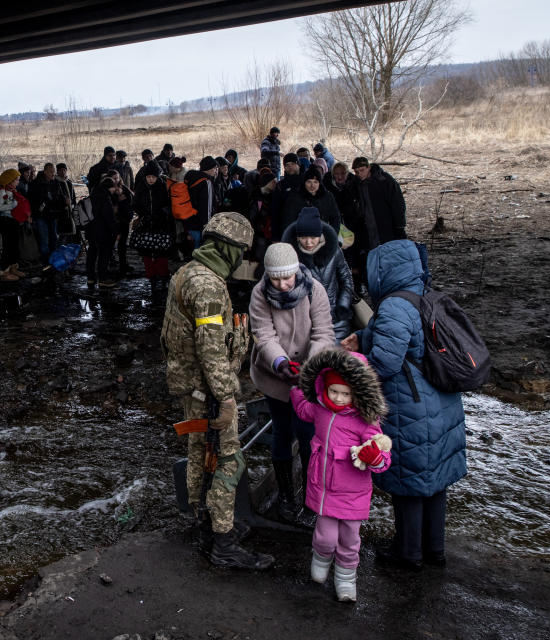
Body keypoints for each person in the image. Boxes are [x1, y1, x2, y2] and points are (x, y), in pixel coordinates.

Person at [341, 240, 466, 570]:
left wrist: (349, 364)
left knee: (408, 483)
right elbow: (413, 343)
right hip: (441, 402)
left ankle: (408, 553)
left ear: (384, 271)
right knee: (435, 481)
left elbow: (385, 363)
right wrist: (367, 336)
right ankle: (434, 550)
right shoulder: (424, 294)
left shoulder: (394, 306)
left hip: (412, 407)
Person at [160, 211, 273, 570]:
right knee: (227, 460)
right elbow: (210, 350)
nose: (242, 258)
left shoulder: (187, 271)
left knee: (199, 454)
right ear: (229, 249)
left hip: (189, 387)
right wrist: (226, 397)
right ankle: (222, 541)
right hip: (206, 392)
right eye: (241, 251)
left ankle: (205, 525)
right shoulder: (208, 286)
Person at [291, 348, 391, 602]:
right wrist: (298, 384)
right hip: (324, 488)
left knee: (349, 539)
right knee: (325, 537)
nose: (338, 397)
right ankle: (320, 563)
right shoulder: (321, 408)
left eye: (345, 393)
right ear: (325, 386)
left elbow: (381, 457)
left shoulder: (366, 420)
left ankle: (346, 579)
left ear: (356, 393)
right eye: (333, 390)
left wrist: (374, 457)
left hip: (353, 493)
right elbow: (303, 409)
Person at [249, 242, 336, 526]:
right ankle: (286, 497)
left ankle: (312, 498)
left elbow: (324, 333)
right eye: (276, 279)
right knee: (282, 432)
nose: (283, 285)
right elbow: (263, 334)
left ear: (296, 271)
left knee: (310, 436)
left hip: (309, 376)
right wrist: (280, 363)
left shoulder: (314, 290)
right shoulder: (260, 293)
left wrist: (310, 367)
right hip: (275, 374)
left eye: (287, 278)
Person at [282, 207, 354, 339]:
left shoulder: (334, 251)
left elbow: (346, 279)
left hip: (336, 320)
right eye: (303, 237)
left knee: (337, 357)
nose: (308, 242)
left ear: (320, 235)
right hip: (305, 324)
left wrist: (343, 305)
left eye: (313, 237)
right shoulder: (290, 257)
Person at [350, 157, 406, 285]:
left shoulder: (384, 180)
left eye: (362, 170)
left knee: (390, 256)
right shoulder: (355, 184)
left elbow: (398, 204)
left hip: (385, 226)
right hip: (367, 228)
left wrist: (399, 225)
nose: (359, 174)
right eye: (356, 171)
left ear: (369, 168)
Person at [132, 160, 173, 298]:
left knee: (161, 252)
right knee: (147, 252)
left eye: (153, 177)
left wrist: (161, 214)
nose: (151, 179)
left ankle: (163, 277)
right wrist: (143, 215)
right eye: (148, 177)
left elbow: (169, 205)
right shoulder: (140, 187)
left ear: (158, 176)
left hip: (161, 224)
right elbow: (136, 203)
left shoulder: (163, 187)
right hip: (145, 224)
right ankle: (152, 278)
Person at [280, 166, 342, 234]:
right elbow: (288, 221)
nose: (312, 185)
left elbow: (336, 217)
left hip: (323, 236)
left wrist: (332, 234)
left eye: (315, 182)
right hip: (302, 238)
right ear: (304, 183)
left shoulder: (328, 197)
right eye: (309, 182)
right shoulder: (294, 198)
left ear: (319, 183)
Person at [29, 162, 68, 262]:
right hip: (41, 216)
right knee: (44, 239)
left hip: (53, 214)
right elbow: (33, 201)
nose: (53, 174)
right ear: (45, 171)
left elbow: (60, 196)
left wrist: (64, 201)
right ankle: (46, 261)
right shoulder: (36, 183)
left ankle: (54, 259)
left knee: (54, 238)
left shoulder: (55, 182)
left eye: (54, 172)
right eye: (51, 172)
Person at [86, 178, 120, 288]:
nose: (115, 189)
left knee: (91, 253)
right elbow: (109, 217)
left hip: (90, 230)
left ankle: (90, 278)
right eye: (114, 187)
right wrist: (116, 231)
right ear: (110, 187)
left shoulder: (92, 195)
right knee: (104, 255)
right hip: (103, 231)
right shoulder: (105, 198)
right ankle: (103, 279)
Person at [0, 169, 24, 282]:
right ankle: (4, 272)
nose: (18, 182)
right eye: (16, 180)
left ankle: (13, 267)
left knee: (14, 246)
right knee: (7, 246)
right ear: (10, 181)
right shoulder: (1, 191)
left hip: (13, 221)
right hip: (6, 222)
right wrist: (14, 205)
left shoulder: (11, 191)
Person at [182, 156, 218, 249]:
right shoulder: (206, 182)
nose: (216, 171)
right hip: (200, 226)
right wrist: (207, 227)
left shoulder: (191, 178)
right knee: (201, 256)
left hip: (189, 222)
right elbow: (207, 208)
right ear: (210, 168)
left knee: (193, 255)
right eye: (215, 168)